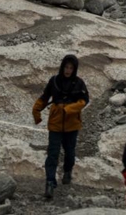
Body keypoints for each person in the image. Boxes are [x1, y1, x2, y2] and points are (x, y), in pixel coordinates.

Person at [32, 54, 89, 199]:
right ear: (62, 66)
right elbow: (45, 97)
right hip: (55, 124)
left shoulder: (79, 83)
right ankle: (50, 183)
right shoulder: (54, 81)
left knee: (70, 153)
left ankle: (67, 170)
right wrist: (36, 110)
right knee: (52, 154)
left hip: (72, 125)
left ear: (74, 69)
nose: (68, 70)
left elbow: (84, 100)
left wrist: (69, 109)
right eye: (66, 67)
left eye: (71, 68)